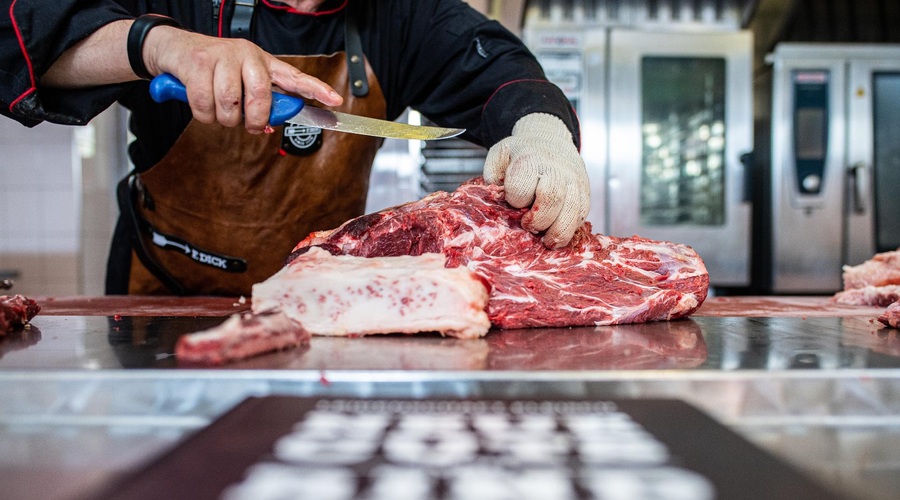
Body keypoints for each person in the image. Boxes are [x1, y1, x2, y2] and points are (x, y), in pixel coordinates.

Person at [0, 0, 589, 296]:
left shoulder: (401, 15)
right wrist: (154, 45)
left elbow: (504, 72)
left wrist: (541, 131)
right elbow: (25, 36)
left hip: (319, 304)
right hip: (165, 297)